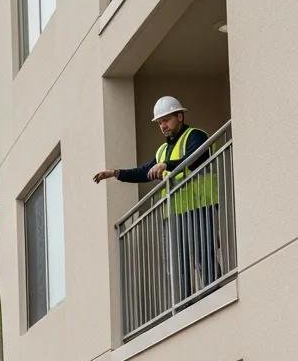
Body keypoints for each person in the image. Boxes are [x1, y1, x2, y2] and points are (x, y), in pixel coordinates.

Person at [93, 96, 219, 302]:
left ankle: (216, 297)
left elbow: (195, 156)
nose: (163, 125)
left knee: (204, 256)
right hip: (174, 213)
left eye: (166, 120)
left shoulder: (195, 135)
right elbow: (144, 172)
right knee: (178, 266)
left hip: (199, 206)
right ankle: (183, 308)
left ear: (180, 116)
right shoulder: (162, 150)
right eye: (160, 122)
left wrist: (166, 165)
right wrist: (116, 173)